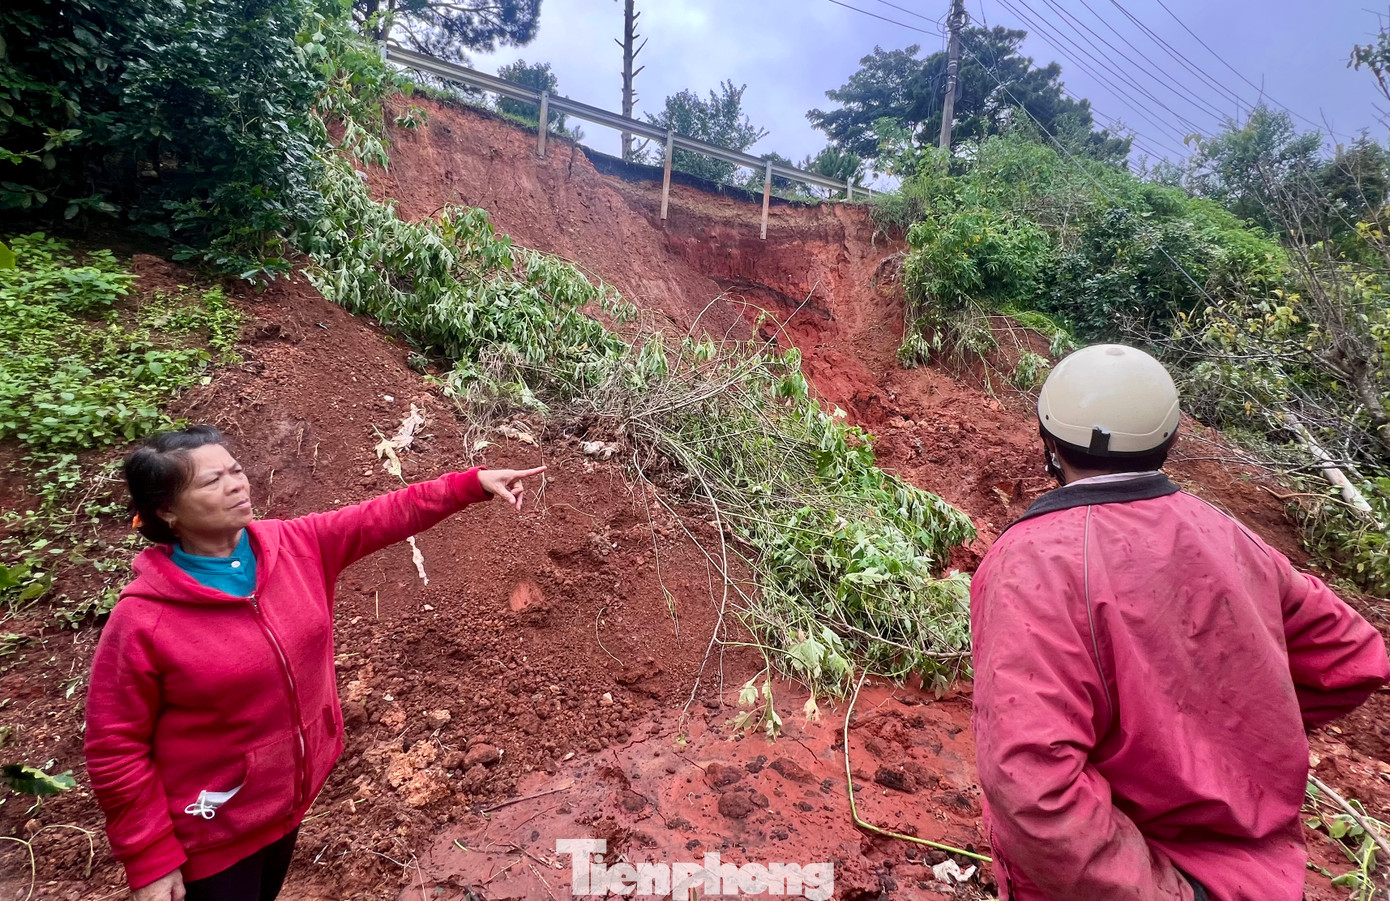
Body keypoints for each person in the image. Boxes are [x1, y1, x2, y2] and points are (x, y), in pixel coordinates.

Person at [970, 344, 1390, 901]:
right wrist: (1226, 736)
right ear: (1170, 441)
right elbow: (1354, 658)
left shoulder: (1030, 561)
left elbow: (1032, 789)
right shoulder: (1226, 533)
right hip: (1262, 878)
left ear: (1048, 444)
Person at [85, 425, 543, 901]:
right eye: (211, 481)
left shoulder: (294, 546)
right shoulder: (144, 620)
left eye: (236, 471)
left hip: (287, 804)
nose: (237, 485)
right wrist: (150, 860)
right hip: (212, 832)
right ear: (167, 510)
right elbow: (114, 747)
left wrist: (472, 484)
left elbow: (385, 514)